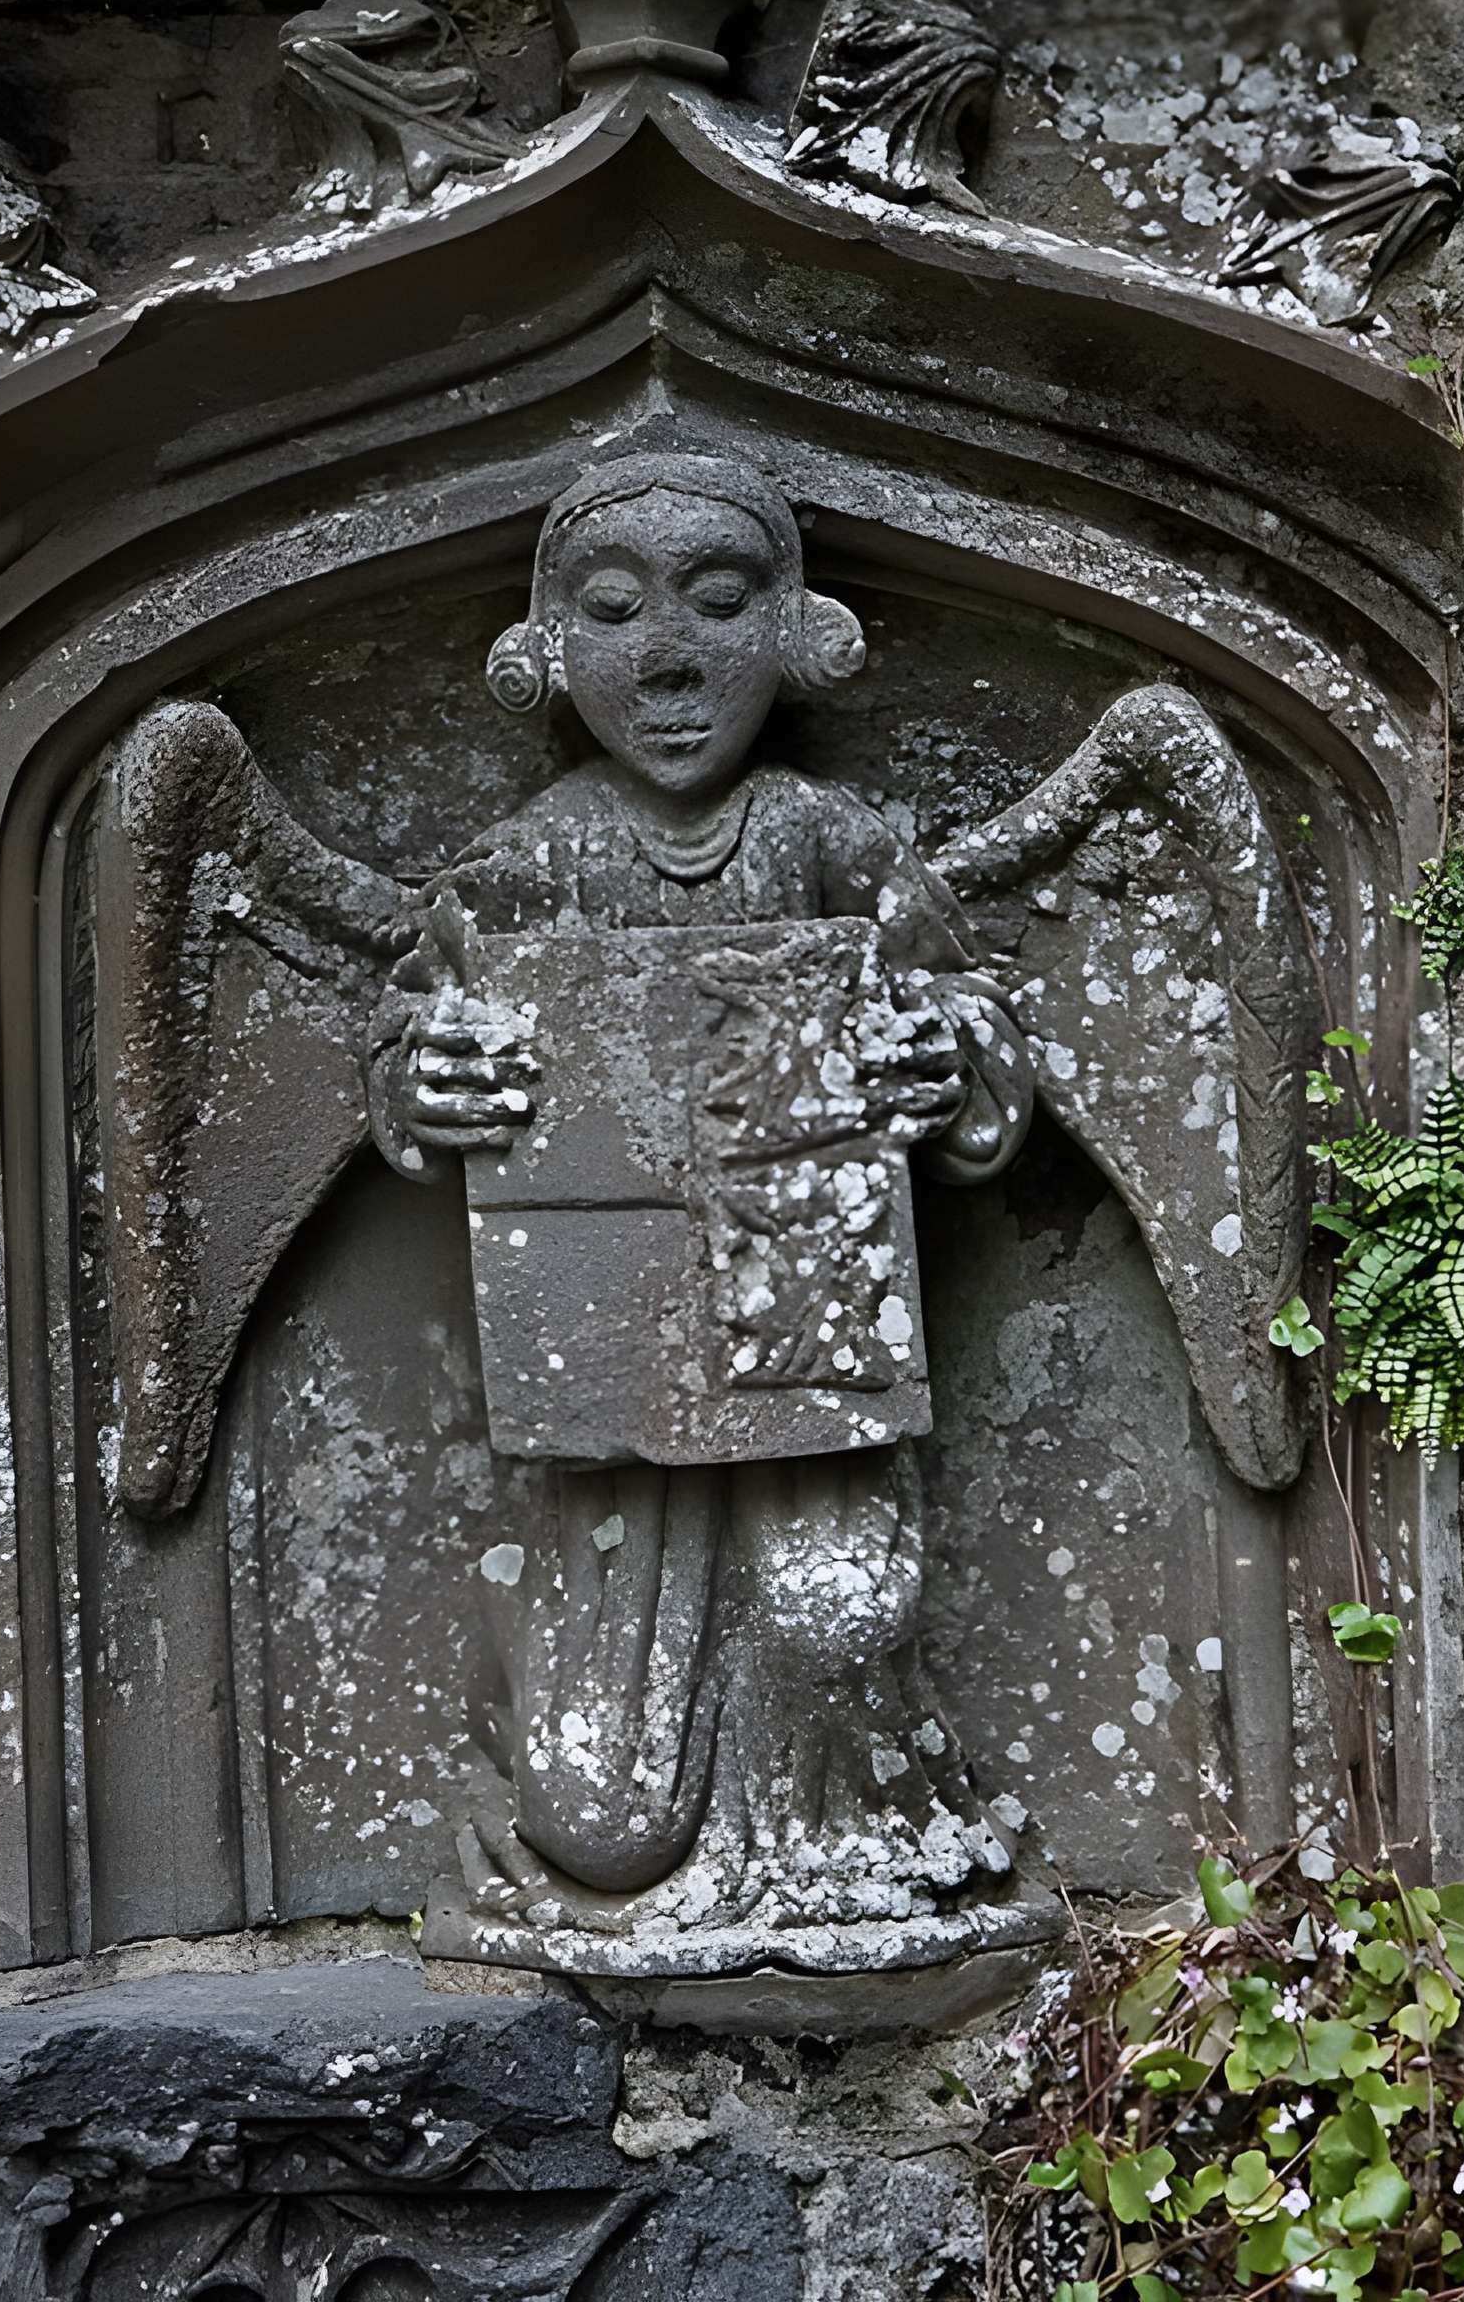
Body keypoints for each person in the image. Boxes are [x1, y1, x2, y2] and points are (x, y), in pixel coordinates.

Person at [368, 452, 1033, 1955]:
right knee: (599, 1822)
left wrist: (939, 1053)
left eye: (720, 601)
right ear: (549, 648)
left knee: (836, 1611)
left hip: (805, 1346)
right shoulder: (526, 864)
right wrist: (429, 1076)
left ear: (797, 632)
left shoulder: (833, 843)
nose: (668, 658)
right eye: (613, 611)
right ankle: (594, 1781)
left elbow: (974, 1015)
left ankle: (835, 1841)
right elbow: (411, 1034)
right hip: (619, 1413)